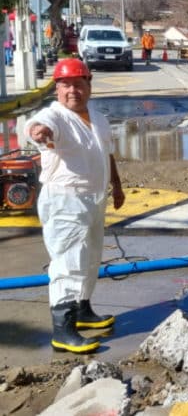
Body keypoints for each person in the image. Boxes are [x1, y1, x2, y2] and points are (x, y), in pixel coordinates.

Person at [25, 58, 125, 354]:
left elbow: (106, 153)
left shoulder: (97, 116)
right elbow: (39, 125)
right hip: (65, 201)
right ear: (57, 89)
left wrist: (117, 185)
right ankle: (63, 330)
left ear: (88, 85)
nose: (72, 91)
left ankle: (82, 311)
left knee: (90, 258)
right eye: (66, 85)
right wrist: (38, 132)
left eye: (78, 84)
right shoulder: (55, 115)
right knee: (68, 262)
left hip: (94, 199)